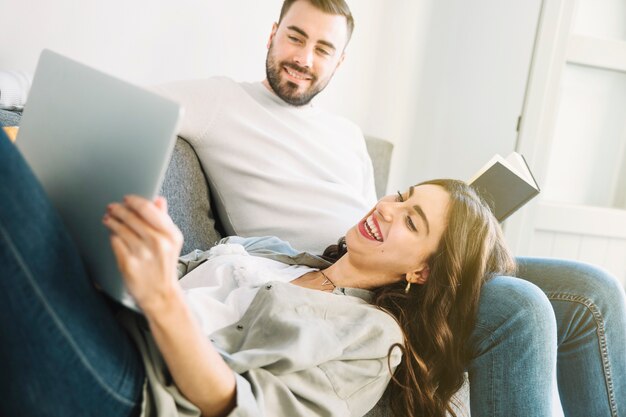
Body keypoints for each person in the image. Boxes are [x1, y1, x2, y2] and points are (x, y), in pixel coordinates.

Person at [152, 0, 626, 416]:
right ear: (273, 34)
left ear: (339, 63)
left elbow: (376, 208)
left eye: (323, 49)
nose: (303, 58)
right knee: (523, 307)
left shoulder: (347, 136)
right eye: (295, 38)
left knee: (596, 291)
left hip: (391, 259)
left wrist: (435, 223)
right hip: (341, 268)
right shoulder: (220, 100)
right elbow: (128, 108)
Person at [0, 121, 515, 417]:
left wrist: (161, 299)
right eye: (401, 195)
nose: (387, 209)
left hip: (135, 388)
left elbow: (242, 410)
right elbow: (166, 276)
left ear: (421, 273)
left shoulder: (372, 340)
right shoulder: (277, 254)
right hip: (105, 320)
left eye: (412, 221)